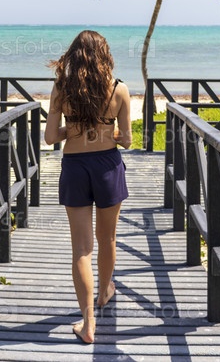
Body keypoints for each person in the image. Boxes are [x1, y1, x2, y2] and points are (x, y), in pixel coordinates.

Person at [44, 30, 132, 344]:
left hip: (75, 167)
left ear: (74, 56)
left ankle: (88, 322)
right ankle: (105, 291)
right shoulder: (119, 89)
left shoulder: (61, 89)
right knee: (107, 238)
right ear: (104, 55)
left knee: (81, 249)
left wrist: (74, 128)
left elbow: (50, 138)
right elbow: (127, 140)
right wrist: (107, 132)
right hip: (107, 166)